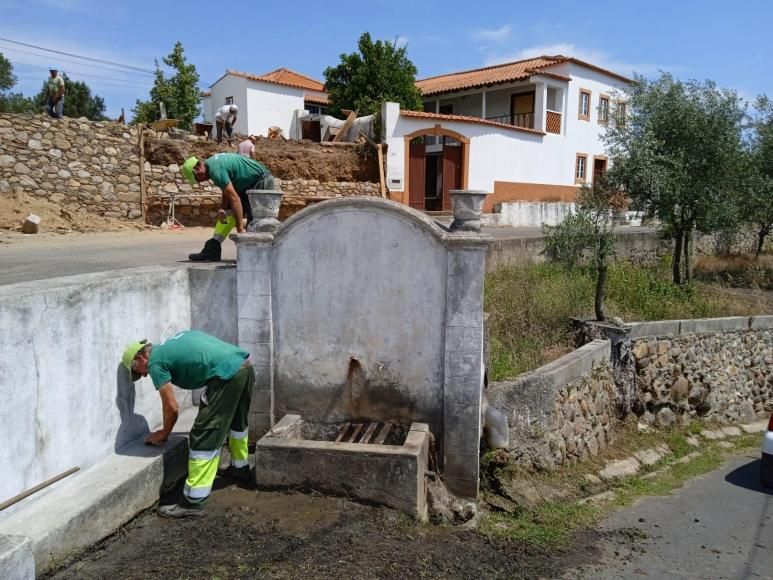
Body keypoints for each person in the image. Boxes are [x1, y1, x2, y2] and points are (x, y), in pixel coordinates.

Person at [122, 330, 254, 518]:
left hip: (226, 376)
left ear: (141, 356)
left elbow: (172, 408)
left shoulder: (155, 362)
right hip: (244, 367)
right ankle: (240, 469)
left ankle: (193, 502)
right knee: (236, 423)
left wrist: (164, 434)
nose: (143, 375)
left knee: (203, 434)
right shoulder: (171, 344)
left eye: (138, 370)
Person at [180, 152, 275, 261]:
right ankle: (212, 249)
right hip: (245, 184)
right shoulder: (213, 165)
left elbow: (235, 199)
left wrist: (240, 230)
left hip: (260, 180)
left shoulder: (215, 170)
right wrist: (222, 207)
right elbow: (227, 191)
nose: (200, 182)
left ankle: (252, 256)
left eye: (196, 178)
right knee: (228, 211)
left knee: (255, 221)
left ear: (197, 169)